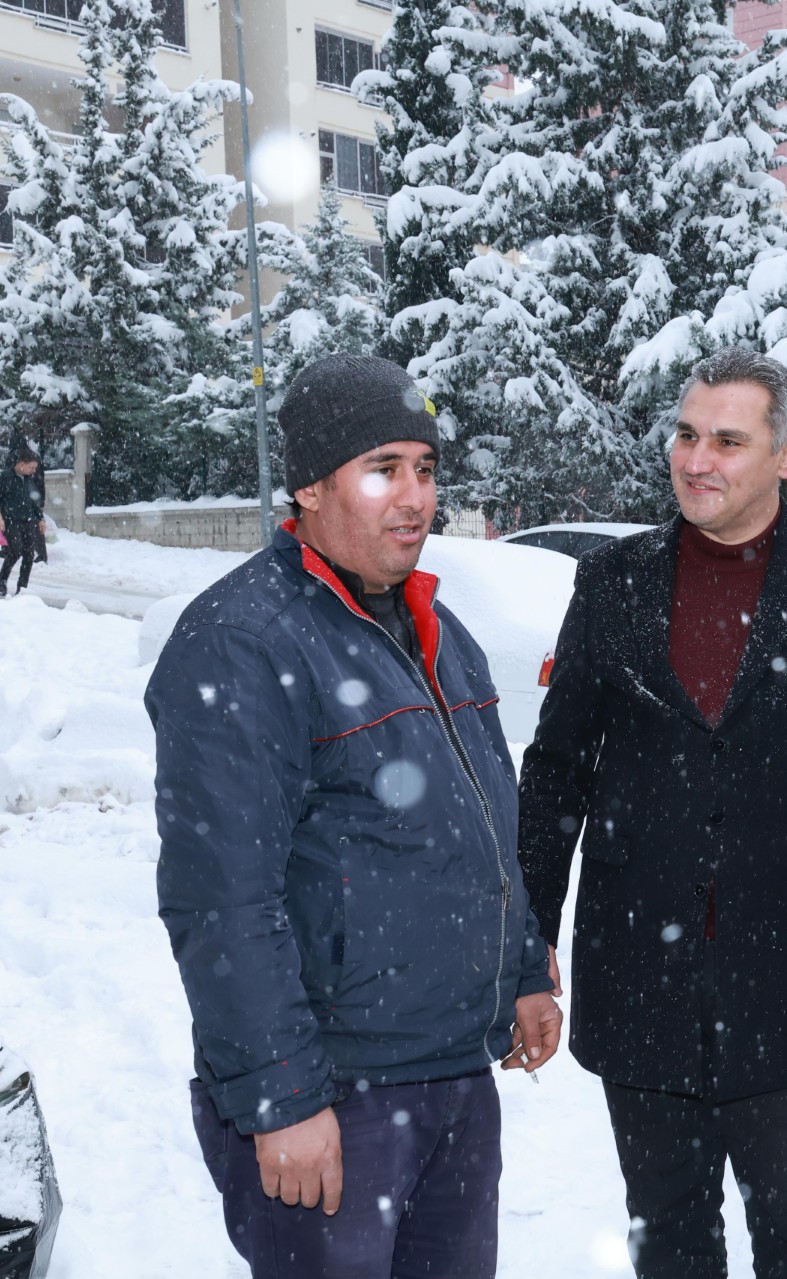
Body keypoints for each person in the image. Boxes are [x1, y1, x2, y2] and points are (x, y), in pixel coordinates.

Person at [147, 353, 561, 1278]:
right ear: (309, 485)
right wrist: (283, 1097)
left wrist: (523, 969)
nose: (415, 496)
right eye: (384, 469)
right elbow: (223, 899)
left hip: (453, 1076)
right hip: (336, 1097)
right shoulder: (244, 640)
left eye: (426, 468)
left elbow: (482, 822)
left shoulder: (438, 631)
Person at [517, 348, 787, 1279]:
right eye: (687, 435)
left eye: (728, 441)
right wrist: (528, 938)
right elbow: (559, 769)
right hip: (638, 980)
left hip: (784, 976)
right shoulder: (612, 580)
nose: (697, 460)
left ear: (785, 455)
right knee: (668, 1237)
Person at [0, 444, 46, 597]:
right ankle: (2, 580)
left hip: (28, 521)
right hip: (10, 520)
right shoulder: (3, 477)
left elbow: (33, 502)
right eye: (31, 467)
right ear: (21, 464)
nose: (33, 471)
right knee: (15, 550)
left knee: (29, 555)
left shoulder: (29, 480)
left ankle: (22, 589)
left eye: (35, 468)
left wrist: (40, 519)